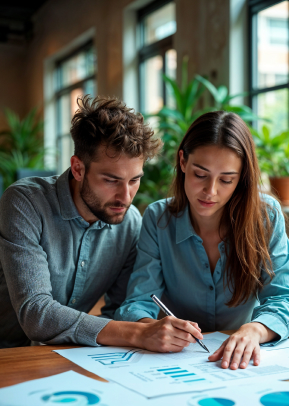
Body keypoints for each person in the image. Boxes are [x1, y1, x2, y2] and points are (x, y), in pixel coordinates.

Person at [115, 111, 289, 369]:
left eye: (227, 180)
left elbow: (283, 298)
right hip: (176, 360)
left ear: (241, 178)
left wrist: (255, 330)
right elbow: (138, 302)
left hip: (243, 363)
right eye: (200, 174)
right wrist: (150, 328)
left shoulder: (266, 216)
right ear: (183, 161)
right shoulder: (158, 218)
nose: (211, 191)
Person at [0, 95, 162, 348]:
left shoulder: (129, 223)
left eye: (134, 180)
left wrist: (146, 326)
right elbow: (36, 314)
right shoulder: (25, 202)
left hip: (64, 354)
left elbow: (119, 309)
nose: (126, 196)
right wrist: (135, 334)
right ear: (78, 168)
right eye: (111, 180)